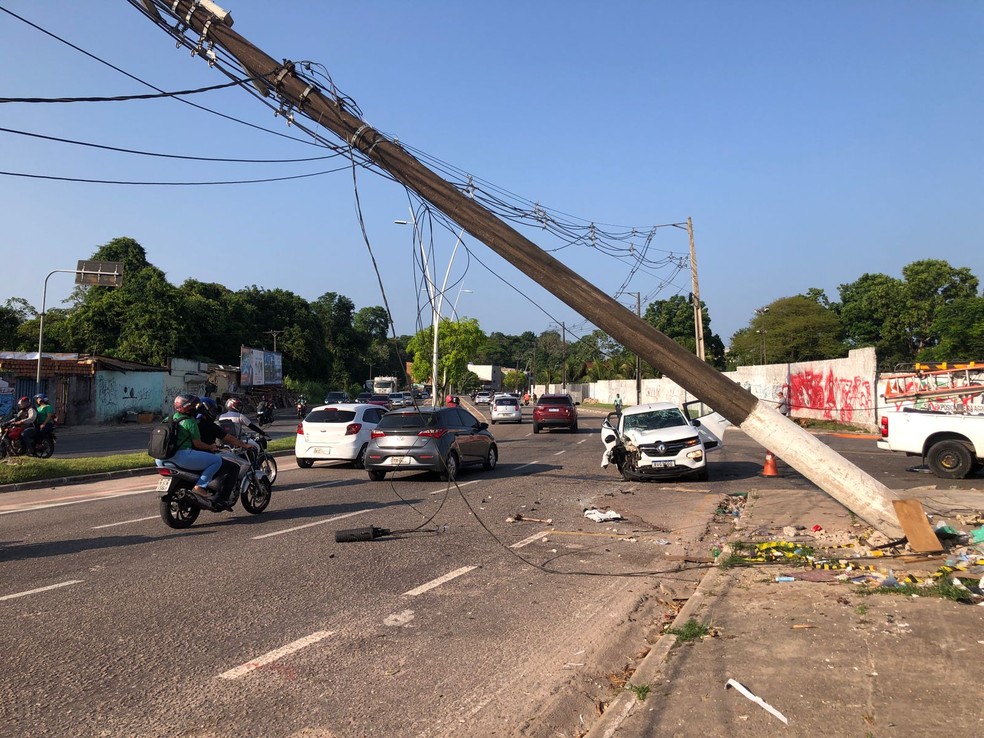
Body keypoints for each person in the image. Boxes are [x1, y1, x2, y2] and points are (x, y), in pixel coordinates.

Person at [157, 394, 224, 507]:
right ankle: (200, 487)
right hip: (181, 457)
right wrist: (211, 447)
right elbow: (198, 444)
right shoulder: (190, 422)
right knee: (216, 461)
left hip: (161, 459)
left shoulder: (168, 419)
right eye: (195, 406)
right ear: (189, 407)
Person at [196, 397, 254, 510]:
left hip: (190, 455)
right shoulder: (209, 425)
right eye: (212, 410)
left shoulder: (190, 422)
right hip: (204, 455)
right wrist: (244, 445)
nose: (214, 413)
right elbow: (227, 437)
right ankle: (222, 498)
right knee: (234, 467)